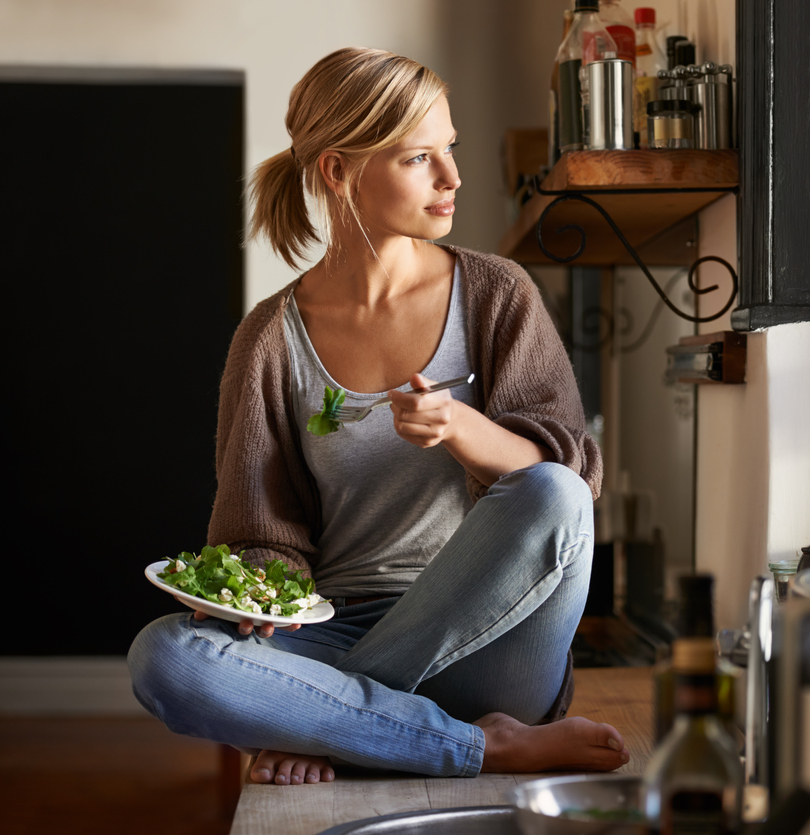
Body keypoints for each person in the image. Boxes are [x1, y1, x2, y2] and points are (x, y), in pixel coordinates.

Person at [127, 47, 628, 786]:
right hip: (336, 630)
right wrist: (264, 603)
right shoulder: (270, 339)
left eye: (448, 150)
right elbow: (258, 534)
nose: (451, 178)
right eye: (420, 157)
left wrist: (460, 428)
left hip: (494, 641)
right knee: (163, 656)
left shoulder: (497, 293)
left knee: (551, 492)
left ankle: (335, 725)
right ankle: (478, 746)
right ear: (338, 170)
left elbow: (570, 478)